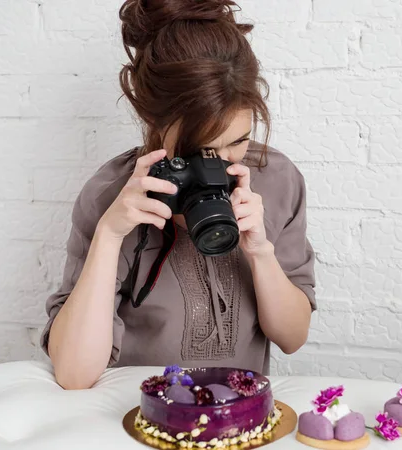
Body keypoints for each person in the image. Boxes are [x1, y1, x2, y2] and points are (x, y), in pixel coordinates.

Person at [40, 0, 316, 390]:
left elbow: (292, 338)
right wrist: (109, 235)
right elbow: (74, 374)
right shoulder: (112, 194)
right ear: (154, 122)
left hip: (234, 422)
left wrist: (260, 252)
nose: (217, 165)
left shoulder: (276, 179)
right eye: (198, 150)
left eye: (237, 141)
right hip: (137, 420)